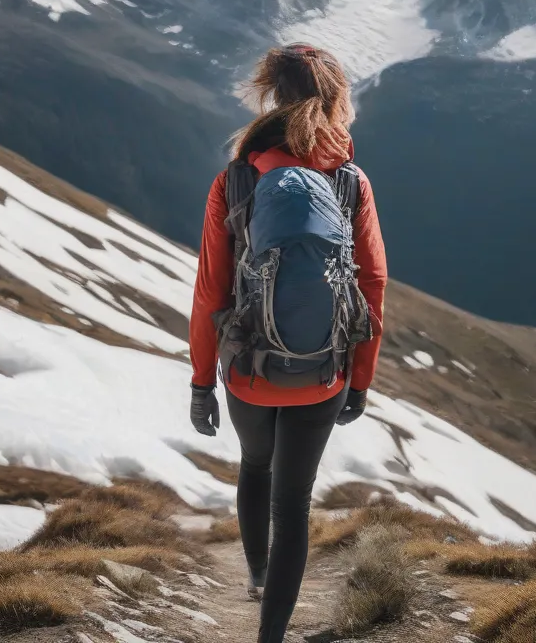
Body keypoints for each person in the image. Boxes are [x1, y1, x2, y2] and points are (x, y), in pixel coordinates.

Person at [188, 42, 387, 643]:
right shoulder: (351, 181)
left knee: (255, 464)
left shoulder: (238, 179)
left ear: (272, 97)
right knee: (294, 503)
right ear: (337, 100)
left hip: (249, 368)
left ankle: (255, 573)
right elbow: (372, 284)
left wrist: (202, 383)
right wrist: (360, 378)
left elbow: (210, 292)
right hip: (323, 370)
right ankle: (271, 636)